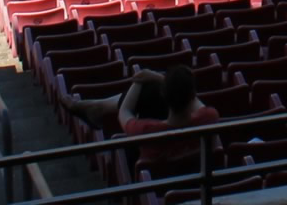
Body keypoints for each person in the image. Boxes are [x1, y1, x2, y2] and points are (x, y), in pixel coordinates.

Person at [60, 63, 219, 176]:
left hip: (156, 197)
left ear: (164, 96)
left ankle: (98, 108)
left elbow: (125, 111)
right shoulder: (209, 118)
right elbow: (194, 101)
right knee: (150, 95)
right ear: (192, 95)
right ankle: (97, 108)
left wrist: (140, 80)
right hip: (201, 191)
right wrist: (161, 79)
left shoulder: (146, 131)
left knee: (148, 94)